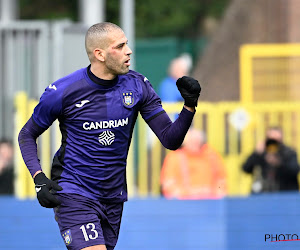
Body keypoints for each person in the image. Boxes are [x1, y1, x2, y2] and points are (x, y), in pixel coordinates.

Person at [18, 22, 201, 250]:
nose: (129, 50)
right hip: (75, 192)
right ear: (100, 54)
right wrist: (38, 178)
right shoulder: (63, 91)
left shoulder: (138, 86)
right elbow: (27, 134)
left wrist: (189, 106)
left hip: (113, 197)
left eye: (127, 44)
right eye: (120, 46)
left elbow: (170, 139)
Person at [160, 128, 227, 199]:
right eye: (191, 142)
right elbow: (168, 184)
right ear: (184, 142)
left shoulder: (212, 156)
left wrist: (213, 194)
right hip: (183, 204)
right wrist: (188, 194)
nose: (194, 144)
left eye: (197, 142)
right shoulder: (174, 158)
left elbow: (221, 180)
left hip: (209, 203)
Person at [242, 127, 300, 193]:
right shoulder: (261, 152)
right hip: (263, 193)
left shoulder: (288, 152)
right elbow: (246, 168)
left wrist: (278, 162)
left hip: (284, 193)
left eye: (276, 140)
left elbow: (295, 170)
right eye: (271, 139)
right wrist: (256, 153)